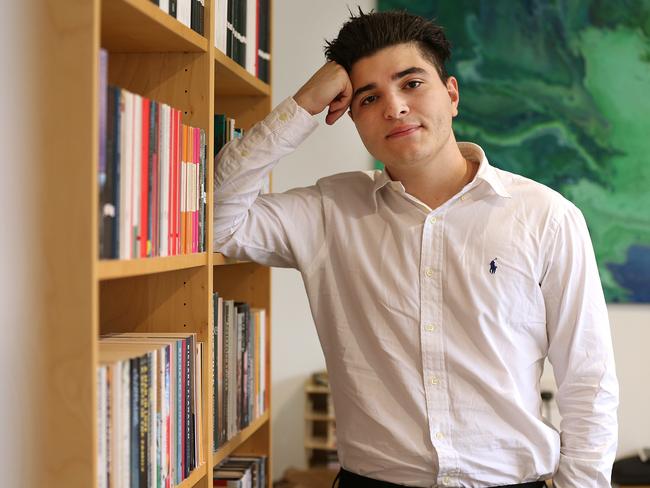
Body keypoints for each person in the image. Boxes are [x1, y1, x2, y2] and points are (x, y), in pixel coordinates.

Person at [213, 8, 618, 488]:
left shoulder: (546, 217)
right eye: (369, 97)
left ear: (451, 94)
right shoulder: (329, 211)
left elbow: (588, 382)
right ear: (351, 117)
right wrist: (303, 104)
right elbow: (216, 219)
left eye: (411, 84)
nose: (395, 107)